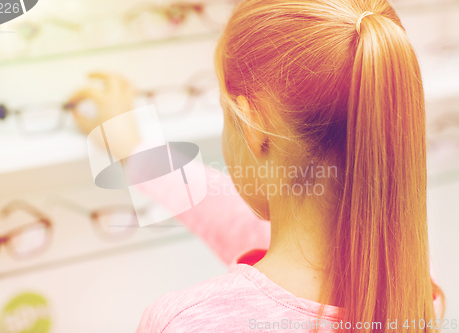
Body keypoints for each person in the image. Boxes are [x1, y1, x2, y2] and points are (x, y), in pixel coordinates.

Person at [67, 0, 445, 331]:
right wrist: (137, 150)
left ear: (253, 126)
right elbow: (232, 221)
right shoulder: (410, 294)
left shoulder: (183, 323)